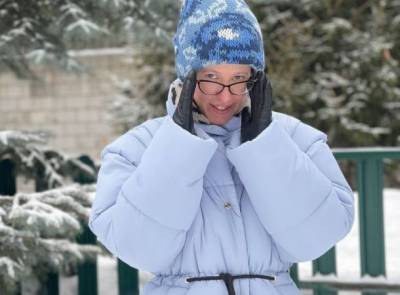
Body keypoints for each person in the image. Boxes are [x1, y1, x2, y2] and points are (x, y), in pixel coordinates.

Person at [89, 0, 355, 294]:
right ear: (187, 76)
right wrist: (178, 145)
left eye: (238, 79)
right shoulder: (134, 149)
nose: (224, 98)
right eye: (211, 79)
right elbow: (140, 250)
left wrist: (266, 147)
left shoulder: (298, 140)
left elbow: (317, 238)